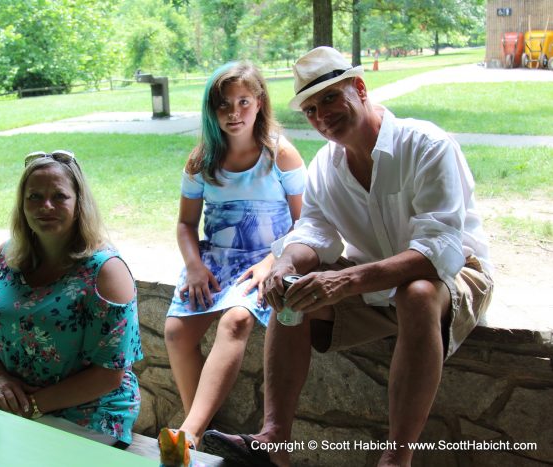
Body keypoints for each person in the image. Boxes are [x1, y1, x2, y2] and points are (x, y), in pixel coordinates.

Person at [202, 47, 494, 467]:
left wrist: (346, 281)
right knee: (292, 291)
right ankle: (275, 440)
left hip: (455, 275)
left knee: (417, 293)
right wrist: (285, 265)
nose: (321, 116)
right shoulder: (327, 166)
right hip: (378, 279)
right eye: (310, 109)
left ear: (359, 88)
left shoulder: (427, 145)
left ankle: (397, 458)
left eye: (330, 99)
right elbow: (313, 233)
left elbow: (440, 253)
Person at [163, 61, 306, 449]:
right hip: (218, 260)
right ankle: (201, 431)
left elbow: (306, 222)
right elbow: (185, 224)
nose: (233, 113)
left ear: (259, 102)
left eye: (243, 101)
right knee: (176, 331)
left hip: (268, 259)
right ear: (212, 110)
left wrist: (272, 261)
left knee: (237, 320)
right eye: (223, 105)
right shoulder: (201, 161)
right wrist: (194, 266)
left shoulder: (281, 155)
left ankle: (189, 433)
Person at [0, 150, 143, 446]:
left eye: (59, 196)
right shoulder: (5, 256)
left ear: (78, 204)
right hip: (11, 402)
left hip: (88, 413)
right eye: (34, 197)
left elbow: (108, 375)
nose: (45, 206)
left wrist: (31, 407)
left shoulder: (105, 271)